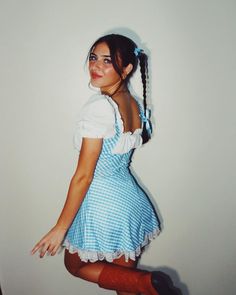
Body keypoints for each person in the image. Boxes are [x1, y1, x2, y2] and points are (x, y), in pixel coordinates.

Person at [31, 34, 171, 295]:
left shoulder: (99, 108)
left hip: (102, 204)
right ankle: (148, 286)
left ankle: (144, 283)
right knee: (123, 281)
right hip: (131, 202)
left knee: (74, 266)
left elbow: (84, 175)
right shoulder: (133, 104)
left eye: (107, 61)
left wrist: (59, 228)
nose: (96, 66)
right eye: (94, 57)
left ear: (126, 69)